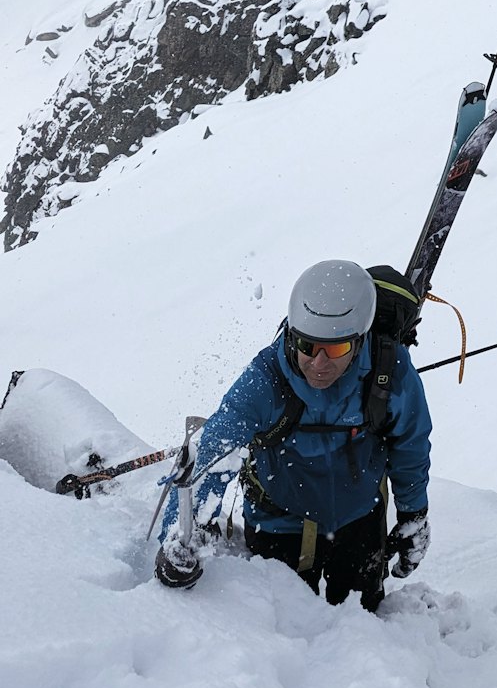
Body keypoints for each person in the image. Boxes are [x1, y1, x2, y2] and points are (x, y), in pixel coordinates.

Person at [155, 260, 432, 611]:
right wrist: (179, 538)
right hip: (280, 522)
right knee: (281, 631)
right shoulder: (265, 380)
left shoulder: (388, 369)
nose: (318, 363)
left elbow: (411, 444)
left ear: (360, 341)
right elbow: (214, 453)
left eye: (335, 349)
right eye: (306, 344)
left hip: (358, 521)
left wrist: (414, 514)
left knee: (364, 626)